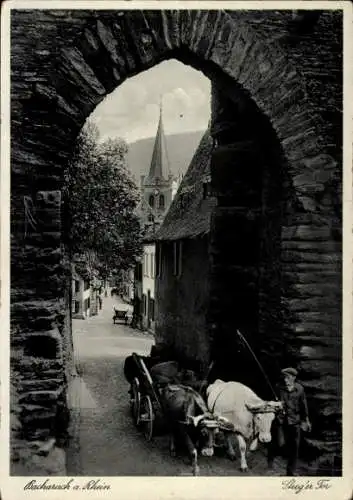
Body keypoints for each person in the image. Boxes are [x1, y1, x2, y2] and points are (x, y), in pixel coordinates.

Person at [269, 367, 311, 476]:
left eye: (287, 378)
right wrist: (277, 407)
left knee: (295, 447)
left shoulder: (300, 389)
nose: (285, 380)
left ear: (293, 378)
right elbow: (271, 404)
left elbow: (304, 406)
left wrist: (306, 420)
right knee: (280, 444)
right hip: (281, 422)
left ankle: (290, 472)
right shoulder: (278, 388)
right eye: (284, 377)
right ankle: (272, 463)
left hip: (295, 422)